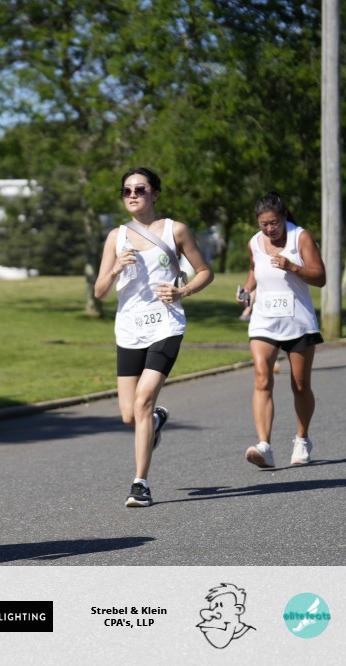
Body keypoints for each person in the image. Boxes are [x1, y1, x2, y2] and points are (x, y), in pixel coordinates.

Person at [94, 167, 214, 508]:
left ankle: (140, 484)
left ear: (155, 194)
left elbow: (205, 271)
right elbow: (100, 291)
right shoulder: (116, 237)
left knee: (143, 400)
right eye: (127, 190)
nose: (133, 195)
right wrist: (115, 269)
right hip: (130, 329)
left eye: (140, 189)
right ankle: (157, 420)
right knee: (129, 415)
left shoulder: (176, 230)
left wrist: (183, 291)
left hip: (166, 324)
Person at [240, 192, 326, 468]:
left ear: (284, 216)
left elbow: (320, 277)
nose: (269, 229)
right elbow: (254, 270)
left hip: (298, 321)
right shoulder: (254, 242)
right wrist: (247, 289)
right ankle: (264, 446)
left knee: (300, 385)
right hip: (264, 320)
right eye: (264, 224)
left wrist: (293, 267)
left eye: (274, 223)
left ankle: (302, 439)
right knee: (262, 378)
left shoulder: (301, 237)